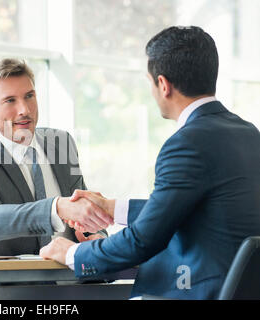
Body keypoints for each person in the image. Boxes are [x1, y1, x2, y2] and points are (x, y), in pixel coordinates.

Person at [40, 26, 260, 299]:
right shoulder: (249, 134)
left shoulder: (186, 143)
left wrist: (72, 252)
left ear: (163, 85)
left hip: (193, 291)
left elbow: (143, 241)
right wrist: (112, 208)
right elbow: (192, 210)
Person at [0, 58, 111, 257]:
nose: (24, 110)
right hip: (16, 284)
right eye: (10, 101)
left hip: (78, 275)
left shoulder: (61, 142)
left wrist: (96, 235)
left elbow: (85, 209)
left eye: (29, 96)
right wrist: (56, 208)